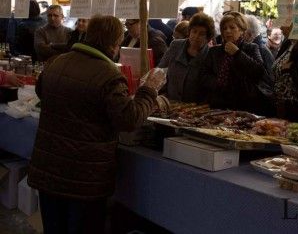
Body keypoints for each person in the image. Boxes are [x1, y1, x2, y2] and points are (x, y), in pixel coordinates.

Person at [28, 15, 167, 234]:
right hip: (84, 177)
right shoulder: (109, 75)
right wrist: (149, 89)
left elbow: (40, 91)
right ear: (114, 43)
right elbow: (129, 119)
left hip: (49, 171)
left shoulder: (57, 62)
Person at [202, 11, 266, 113]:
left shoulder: (251, 48)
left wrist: (237, 53)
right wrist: (218, 83)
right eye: (224, 28)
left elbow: (259, 71)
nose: (227, 31)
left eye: (232, 28)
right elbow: (204, 75)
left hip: (244, 104)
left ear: (241, 30)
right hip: (218, 104)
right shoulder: (214, 51)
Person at [158, 13, 215, 103]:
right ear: (189, 32)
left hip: (195, 109)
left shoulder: (210, 55)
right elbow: (160, 71)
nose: (196, 36)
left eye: (201, 34)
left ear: (208, 37)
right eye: (194, 31)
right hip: (170, 104)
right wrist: (162, 95)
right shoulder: (175, 45)